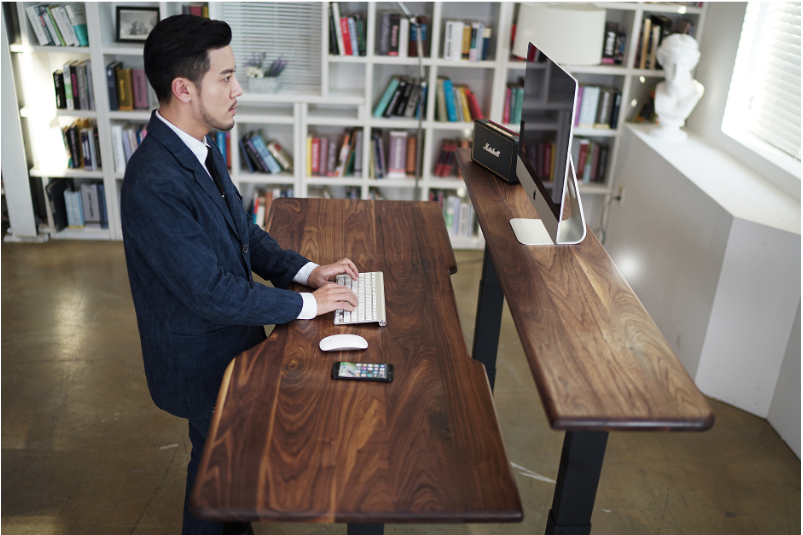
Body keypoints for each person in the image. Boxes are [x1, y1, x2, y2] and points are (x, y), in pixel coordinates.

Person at [120, 15, 359, 535]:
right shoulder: (154, 180)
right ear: (184, 88)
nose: (239, 88)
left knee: (222, 466)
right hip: (200, 359)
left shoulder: (198, 144)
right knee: (214, 469)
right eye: (225, 77)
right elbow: (209, 291)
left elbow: (243, 235)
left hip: (229, 342)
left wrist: (309, 271)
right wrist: (309, 305)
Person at [651, 33, 705, 141]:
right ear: (662, 62)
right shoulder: (659, 88)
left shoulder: (696, 91)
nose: (677, 72)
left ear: (691, 64)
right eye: (670, 64)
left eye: (683, 65)